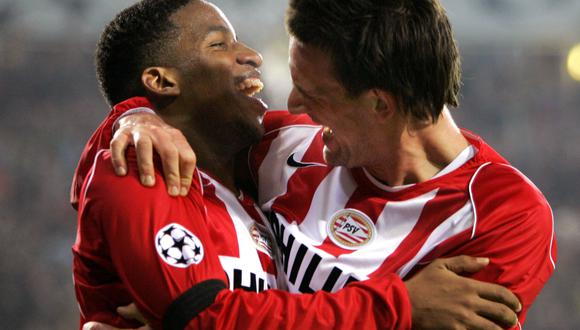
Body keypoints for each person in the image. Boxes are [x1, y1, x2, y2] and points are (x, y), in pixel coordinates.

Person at [104, 0, 557, 328]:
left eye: (314, 93)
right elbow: (127, 158)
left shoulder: (505, 215)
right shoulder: (286, 145)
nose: (294, 103)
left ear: (380, 104)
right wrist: (133, 116)